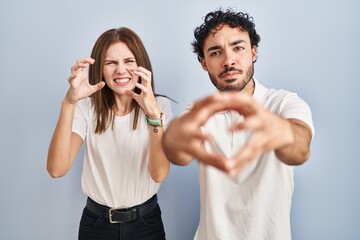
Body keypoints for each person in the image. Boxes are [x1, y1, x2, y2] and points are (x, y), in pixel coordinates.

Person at [162, 8, 314, 240]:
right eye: (215, 52)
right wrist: (174, 138)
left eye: (238, 47)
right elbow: (177, 151)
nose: (228, 60)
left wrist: (282, 132)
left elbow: (300, 148)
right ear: (203, 63)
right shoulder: (199, 112)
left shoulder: (284, 102)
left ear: (254, 52)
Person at [47, 27, 172, 240]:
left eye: (129, 61)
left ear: (141, 65)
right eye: (110, 63)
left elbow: (159, 173)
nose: (121, 70)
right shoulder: (87, 108)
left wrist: (153, 115)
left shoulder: (160, 106)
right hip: (97, 224)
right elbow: (57, 169)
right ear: (100, 70)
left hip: (146, 222)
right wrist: (69, 102)